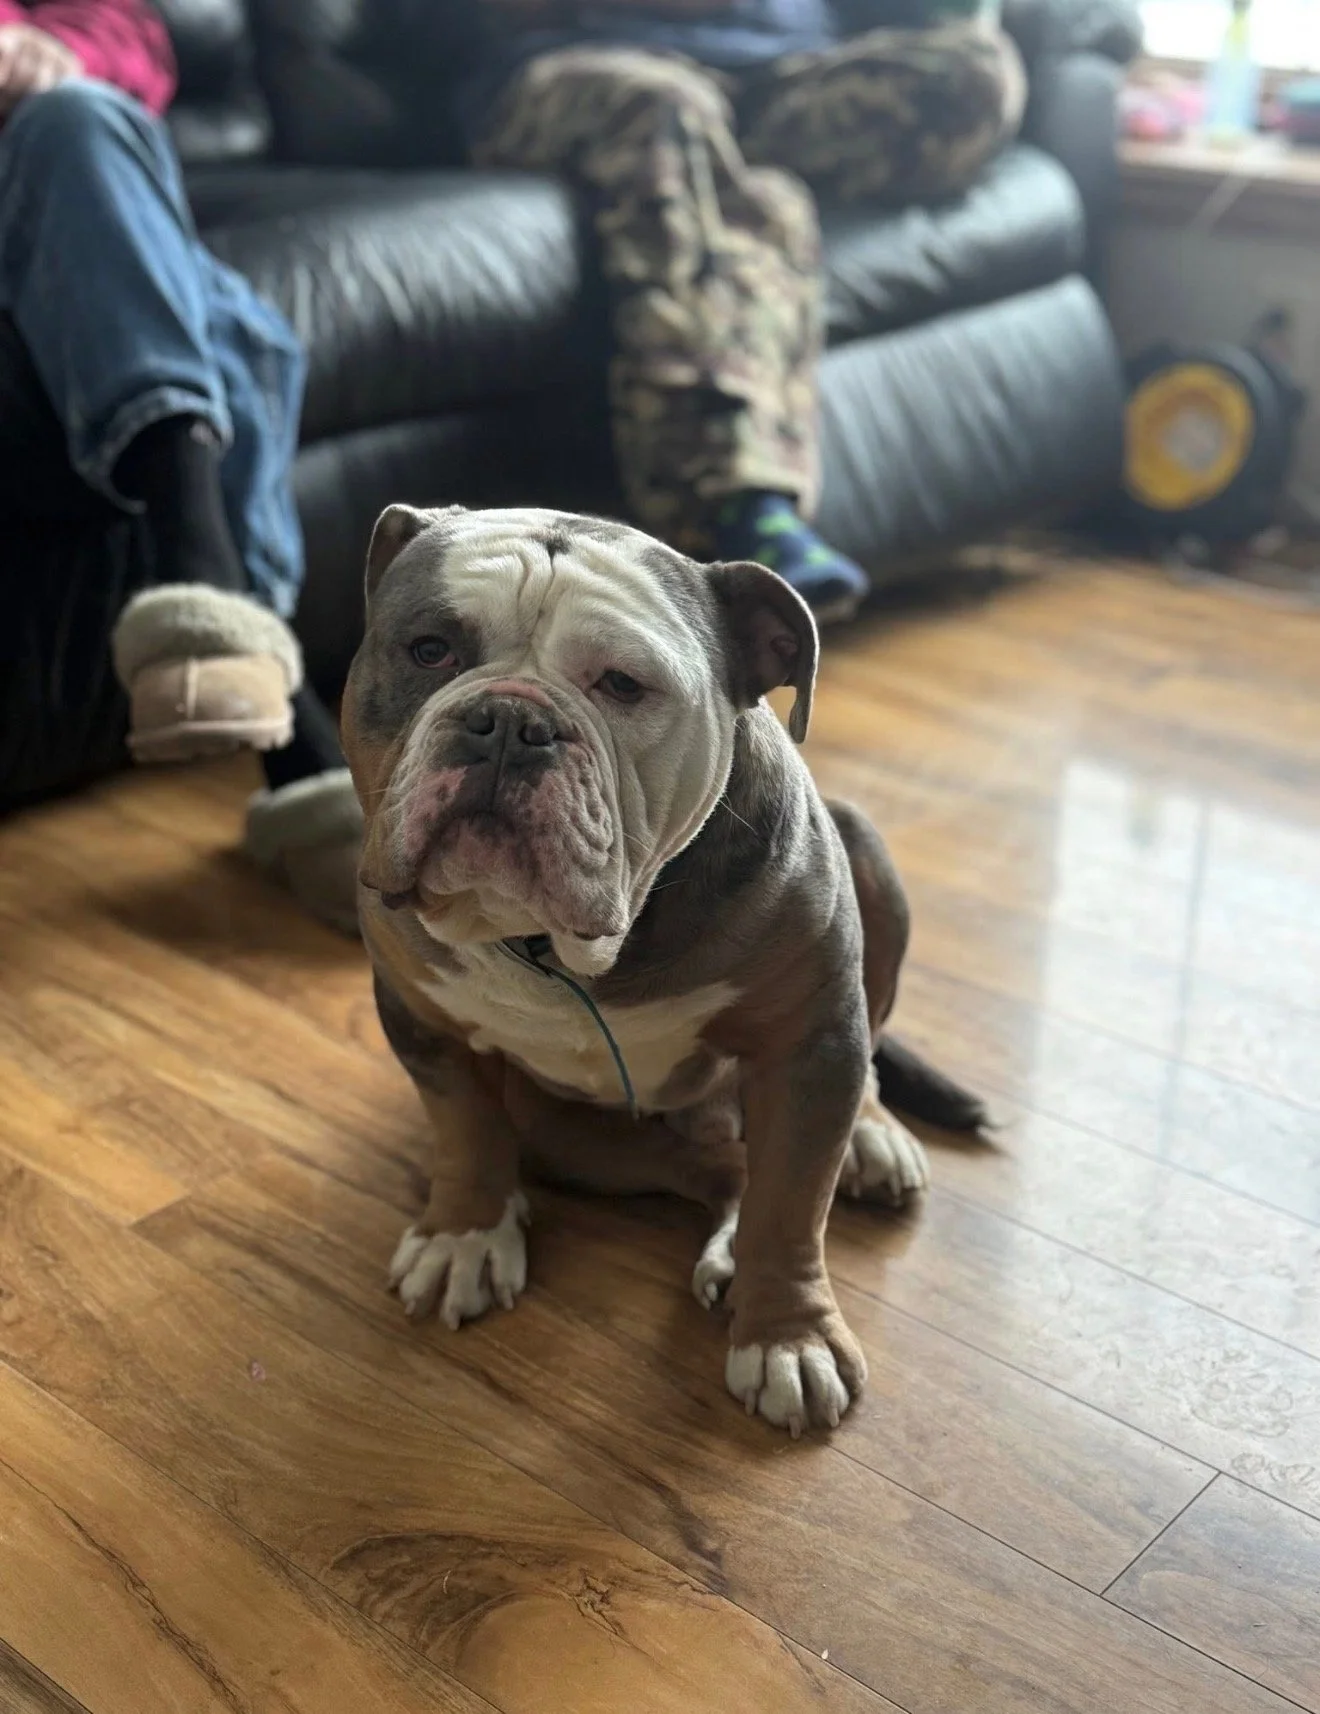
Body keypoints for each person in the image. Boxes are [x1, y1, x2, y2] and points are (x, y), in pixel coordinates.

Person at [439, 0, 1026, 621]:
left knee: (975, 71)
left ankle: (711, 168)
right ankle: (739, 512)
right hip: (592, 64)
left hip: (775, 72)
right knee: (676, 115)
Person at [0, 1, 359, 931]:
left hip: (48, 177)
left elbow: (138, 40)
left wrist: (55, 50)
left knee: (82, 123)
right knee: (234, 326)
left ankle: (230, 638)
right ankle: (287, 734)